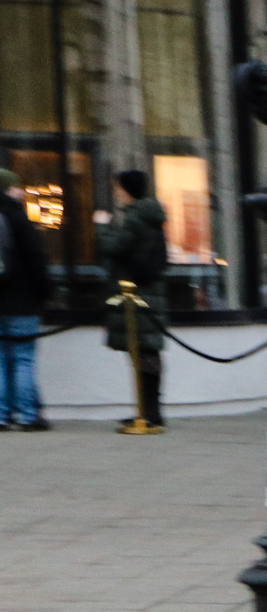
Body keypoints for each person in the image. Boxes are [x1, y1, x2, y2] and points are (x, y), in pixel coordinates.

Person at [98, 169, 168, 428]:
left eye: (118, 188)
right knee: (146, 353)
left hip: (137, 296)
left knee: (143, 355)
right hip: (149, 294)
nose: (115, 192)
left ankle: (148, 413)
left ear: (127, 190)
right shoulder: (149, 216)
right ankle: (148, 410)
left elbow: (114, 247)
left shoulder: (135, 219)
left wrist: (101, 226)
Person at [0, 169, 53, 430]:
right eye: (16, 187)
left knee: (0, 359)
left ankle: (1, 415)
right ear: (8, 188)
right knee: (23, 358)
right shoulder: (19, 218)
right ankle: (26, 415)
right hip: (21, 302)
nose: (20, 191)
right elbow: (36, 259)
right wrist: (46, 291)